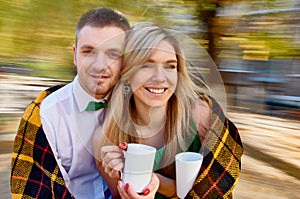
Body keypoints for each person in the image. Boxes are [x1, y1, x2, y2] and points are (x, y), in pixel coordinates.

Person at [95, 22, 244, 198]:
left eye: (170, 66)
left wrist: (155, 182)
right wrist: (126, 181)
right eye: (146, 65)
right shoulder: (106, 138)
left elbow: (211, 191)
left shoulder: (202, 117)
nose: (159, 78)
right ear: (127, 74)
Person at [10, 7, 133, 198]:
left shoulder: (137, 105)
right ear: (75, 55)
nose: (100, 65)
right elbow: (35, 190)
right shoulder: (47, 114)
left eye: (113, 54)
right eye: (89, 51)